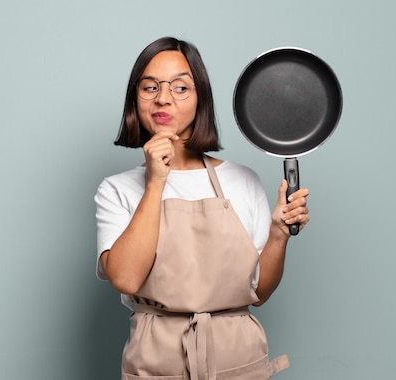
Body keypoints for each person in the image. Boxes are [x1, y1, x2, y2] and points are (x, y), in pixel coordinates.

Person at [95, 36, 310, 380]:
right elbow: (126, 278)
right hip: (155, 363)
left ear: (201, 99)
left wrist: (278, 236)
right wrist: (155, 183)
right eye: (150, 87)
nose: (163, 97)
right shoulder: (116, 189)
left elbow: (258, 293)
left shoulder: (242, 180)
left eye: (181, 87)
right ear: (135, 99)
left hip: (238, 358)